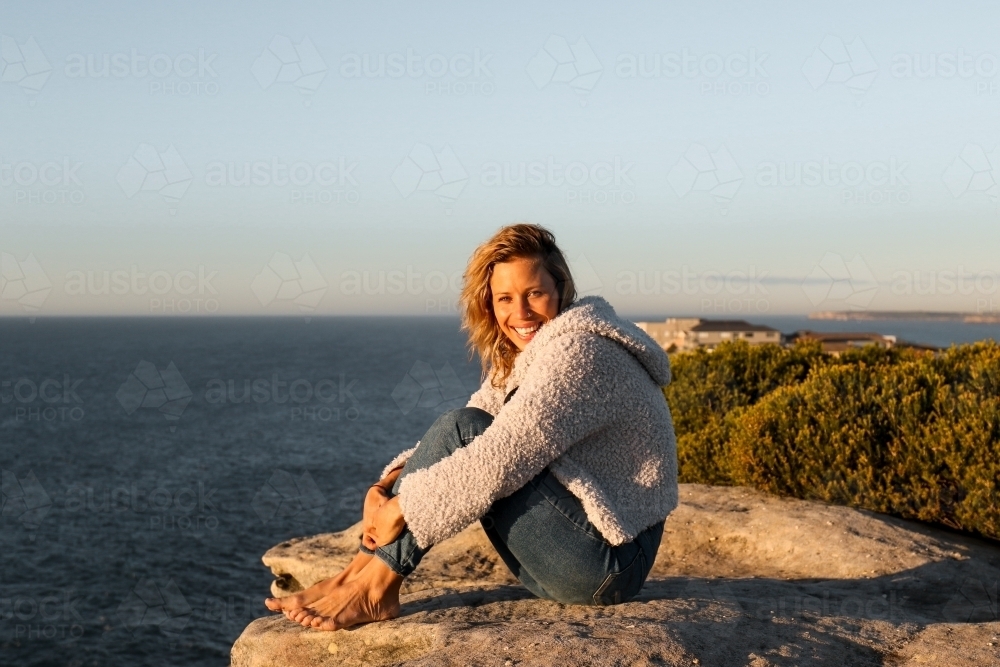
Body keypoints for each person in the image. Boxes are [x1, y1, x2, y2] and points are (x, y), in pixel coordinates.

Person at [265, 223, 678, 631]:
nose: (521, 312)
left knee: (470, 433)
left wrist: (402, 507)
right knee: (463, 424)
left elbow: (501, 455)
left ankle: (375, 589)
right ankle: (353, 577)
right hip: (578, 550)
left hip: (609, 563)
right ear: (489, 303)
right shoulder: (534, 353)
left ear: (561, 290)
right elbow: (465, 427)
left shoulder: (580, 353)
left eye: (534, 293)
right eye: (505, 298)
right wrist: (385, 486)